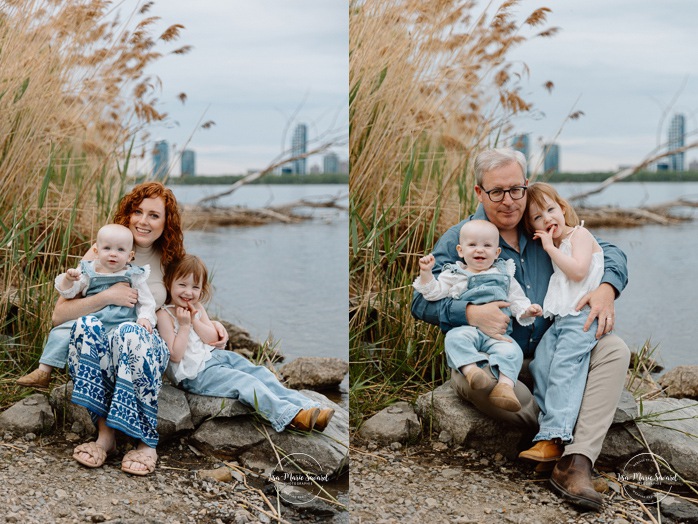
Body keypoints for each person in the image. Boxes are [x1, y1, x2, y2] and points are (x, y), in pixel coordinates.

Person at [411, 148, 630, 511]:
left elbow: (608, 250)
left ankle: (575, 461)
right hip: (496, 357)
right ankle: (558, 425)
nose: (509, 201)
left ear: (526, 186)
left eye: (516, 189)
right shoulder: (463, 237)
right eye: (497, 191)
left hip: (553, 353)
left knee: (614, 349)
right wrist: (468, 312)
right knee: (474, 380)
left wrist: (607, 288)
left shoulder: (542, 224)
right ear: (479, 192)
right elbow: (421, 301)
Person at [27, 182, 227, 475]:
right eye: (138, 211)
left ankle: (146, 443)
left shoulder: (170, 258)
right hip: (101, 349)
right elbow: (59, 316)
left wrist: (212, 326)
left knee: (129, 333)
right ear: (128, 213)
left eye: (154, 215)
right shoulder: (102, 250)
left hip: (144, 348)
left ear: (166, 222)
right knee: (85, 324)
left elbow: (186, 300)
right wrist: (107, 296)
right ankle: (105, 437)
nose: (143, 221)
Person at [157, 255, 335, 433]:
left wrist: (195, 320)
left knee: (261, 373)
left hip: (217, 357)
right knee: (245, 382)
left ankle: (309, 408)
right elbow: (175, 355)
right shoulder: (164, 315)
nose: (188, 292)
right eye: (182, 285)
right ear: (169, 283)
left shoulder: (197, 307)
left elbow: (211, 339)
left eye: (195, 287)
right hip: (194, 374)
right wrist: (185, 325)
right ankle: (289, 416)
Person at [413, 220, 542, 412]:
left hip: (499, 335)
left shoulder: (504, 273)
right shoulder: (455, 274)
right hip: (467, 330)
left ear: (497, 252)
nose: (479, 250)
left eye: (487, 246)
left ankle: (505, 387)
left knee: (512, 351)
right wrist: (426, 273)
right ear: (460, 250)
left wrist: (527, 311)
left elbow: (516, 300)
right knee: (454, 339)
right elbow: (433, 292)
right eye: (472, 245)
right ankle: (471, 370)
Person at [517, 183, 605, 464]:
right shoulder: (555, 244)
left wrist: (548, 247)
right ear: (532, 227)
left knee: (565, 366)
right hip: (561, 318)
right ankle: (551, 426)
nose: (548, 219)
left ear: (563, 207)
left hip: (582, 316)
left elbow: (578, 272)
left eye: (551, 210)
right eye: (538, 218)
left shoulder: (579, 234)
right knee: (541, 364)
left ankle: (555, 436)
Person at [19, 224, 157, 391]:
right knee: (61, 331)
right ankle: (43, 371)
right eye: (107, 248)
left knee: (122, 343)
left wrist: (144, 317)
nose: (113, 253)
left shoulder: (134, 275)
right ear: (96, 251)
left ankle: (115, 382)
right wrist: (69, 280)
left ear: (130, 256)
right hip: (89, 322)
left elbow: (147, 302)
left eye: (121, 250)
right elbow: (70, 294)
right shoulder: (89, 272)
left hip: (118, 325)